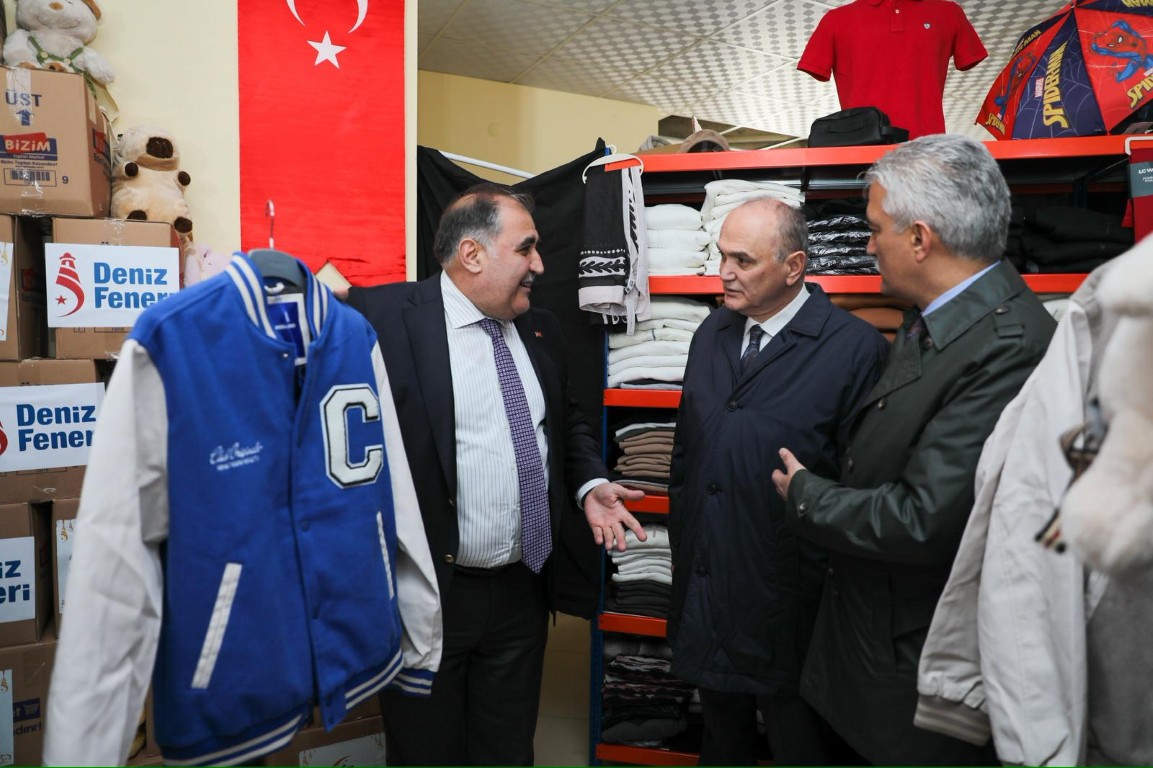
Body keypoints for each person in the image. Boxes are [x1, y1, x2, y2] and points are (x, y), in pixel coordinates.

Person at [771, 133, 1057, 765]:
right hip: (875, 644)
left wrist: (807, 495)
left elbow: (924, 518)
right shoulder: (941, 317)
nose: (868, 245)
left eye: (876, 229)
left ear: (921, 239)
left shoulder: (1006, 345)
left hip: (916, 670)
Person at [346, 182, 646, 766]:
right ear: (472, 254)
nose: (540, 265)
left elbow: (569, 422)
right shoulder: (379, 319)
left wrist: (589, 483)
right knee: (425, 755)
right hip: (427, 594)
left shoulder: (542, 329)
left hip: (521, 593)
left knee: (507, 752)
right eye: (526, 248)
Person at [667, 197, 889, 765]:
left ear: (793, 267)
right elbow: (688, 455)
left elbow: (866, 489)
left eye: (743, 260)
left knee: (802, 744)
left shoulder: (855, 350)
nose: (724, 272)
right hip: (710, 585)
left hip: (794, 604)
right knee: (721, 740)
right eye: (722, 256)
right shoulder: (712, 333)